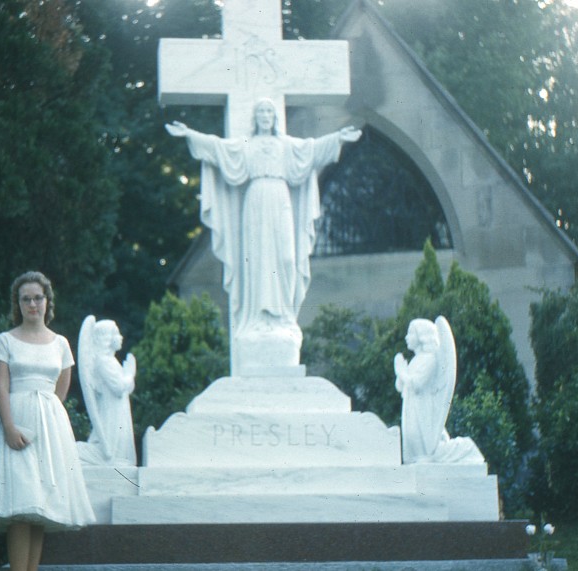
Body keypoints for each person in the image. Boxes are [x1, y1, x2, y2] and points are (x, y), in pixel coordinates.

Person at [166, 98, 361, 367]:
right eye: (261, 112)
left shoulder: (286, 145)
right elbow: (219, 148)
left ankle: (282, 316)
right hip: (255, 201)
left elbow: (312, 150)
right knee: (258, 259)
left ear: (275, 117)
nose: (266, 116)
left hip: (280, 200)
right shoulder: (248, 145)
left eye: (270, 111)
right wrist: (190, 135)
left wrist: (338, 137)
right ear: (255, 118)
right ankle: (258, 317)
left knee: (285, 259)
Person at [0, 271, 96, 571]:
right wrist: (9, 427)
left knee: (40, 506)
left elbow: (60, 388)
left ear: (47, 301)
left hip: (49, 426)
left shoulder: (60, 343)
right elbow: (1, 386)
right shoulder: (5, 341)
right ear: (18, 304)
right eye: (26, 299)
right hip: (15, 420)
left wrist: (47, 416)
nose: (33, 304)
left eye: (38, 298)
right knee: (20, 505)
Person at [394, 316, 483, 464]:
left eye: (411, 333)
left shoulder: (430, 359)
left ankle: (464, 448)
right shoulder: (416, 360)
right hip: (412, 407)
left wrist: (401, 371)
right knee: (411, 437)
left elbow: (417, 384)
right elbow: (401, 387)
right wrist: (401, 371)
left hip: (423, 409)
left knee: (422, 442)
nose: (407, 337)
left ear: (422, 336)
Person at [77, 315, 137, 466]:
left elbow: (126, 389)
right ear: (106, 338)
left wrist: (128, 377)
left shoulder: (111, 361)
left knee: (119, 450)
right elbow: (118, 387)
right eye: (116, 333)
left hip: (118, 409)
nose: (120, 337)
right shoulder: (103, 362)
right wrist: (130, 374)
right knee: (109, 448)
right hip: (111, 411)